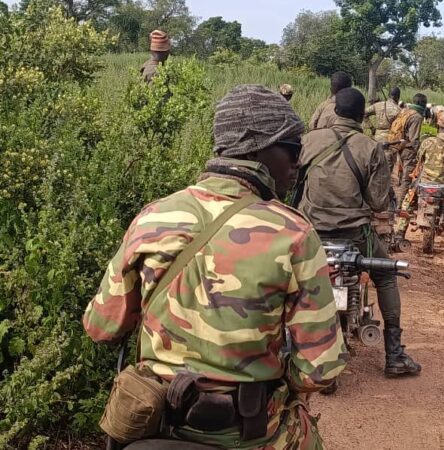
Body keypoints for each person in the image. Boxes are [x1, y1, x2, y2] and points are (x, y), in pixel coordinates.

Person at [83, 85, 347, 448]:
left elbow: (101, 327)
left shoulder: (154, 216)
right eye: (292, 148)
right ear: (260, 148)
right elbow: (320, 370)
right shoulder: (294, 233)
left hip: (154, 422)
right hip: (249, 433)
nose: (297, 162)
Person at [298, 87, 422, 378]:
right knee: (386, 276)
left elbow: (292, 182)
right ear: (360, 115)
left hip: (309, 235)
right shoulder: (370, 148)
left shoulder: (308, 141)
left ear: (336, 111)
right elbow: (379, 201)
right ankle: (395, 354)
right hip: (355, 235)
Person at [395, 111, 444, 250]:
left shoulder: (427, 142)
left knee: (407, 203)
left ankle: (399, 234)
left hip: (424, 182)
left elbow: (419, 160)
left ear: (437, 127)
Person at [394, 93, 427, 205]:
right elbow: (414, 139)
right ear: (422, 103)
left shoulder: (404, 111)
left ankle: (403, 201)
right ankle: (399, 205)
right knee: (407, 179)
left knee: (403, 175)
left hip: (400, 147)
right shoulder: (417, 116)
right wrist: (420, 154)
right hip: (409, 150)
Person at [364, 86, 402, 170]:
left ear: (389, 95)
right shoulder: (398, 110)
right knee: (387, 166)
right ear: (397, 97)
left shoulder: (378, 105)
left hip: (377, 137)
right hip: (390, 140)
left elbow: (364, 113)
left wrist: (371, 127)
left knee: (375, 161)